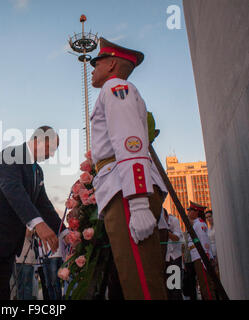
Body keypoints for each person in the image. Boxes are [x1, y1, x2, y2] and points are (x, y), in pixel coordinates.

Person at [89, 37, 168, 300]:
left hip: (125, 190)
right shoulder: (117, 89)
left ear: (111, 64)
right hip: (122, 187)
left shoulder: (115, 87)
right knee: (136, 277)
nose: (92, 68)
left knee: (142, 285)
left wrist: (138, 203)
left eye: (96, 62)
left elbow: (129, 142)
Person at [0, 126, 69, 300]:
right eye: (51, 149)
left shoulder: (38, 171)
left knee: (1, 294)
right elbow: (13, 190)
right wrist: (38, 224)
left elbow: (44, 205)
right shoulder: (11, 155)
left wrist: (64, 232)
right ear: (38, 140)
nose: (51, 155)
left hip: (7, 244)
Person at [187, 201, 216, 300]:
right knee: (203, 284)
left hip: (201, 258)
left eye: (190, 210)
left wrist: (205, 258)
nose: (188, 212)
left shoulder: (199, 224)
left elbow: (205, 243)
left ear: (196, 212)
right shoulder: (195, 224)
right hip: (197, 257)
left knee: (206, 285)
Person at [164, 210, 183, 300]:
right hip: (165, 258)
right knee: (168, 289)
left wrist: (166, 232)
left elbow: (176, 237)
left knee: (175, 287)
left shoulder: (174, 220)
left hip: (175, 256)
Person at [15, 229, 37, 300]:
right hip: (17, 260)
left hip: (27, 260)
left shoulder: (29, 224)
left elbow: (28, 234)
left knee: (27, 287)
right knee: (19, 287)